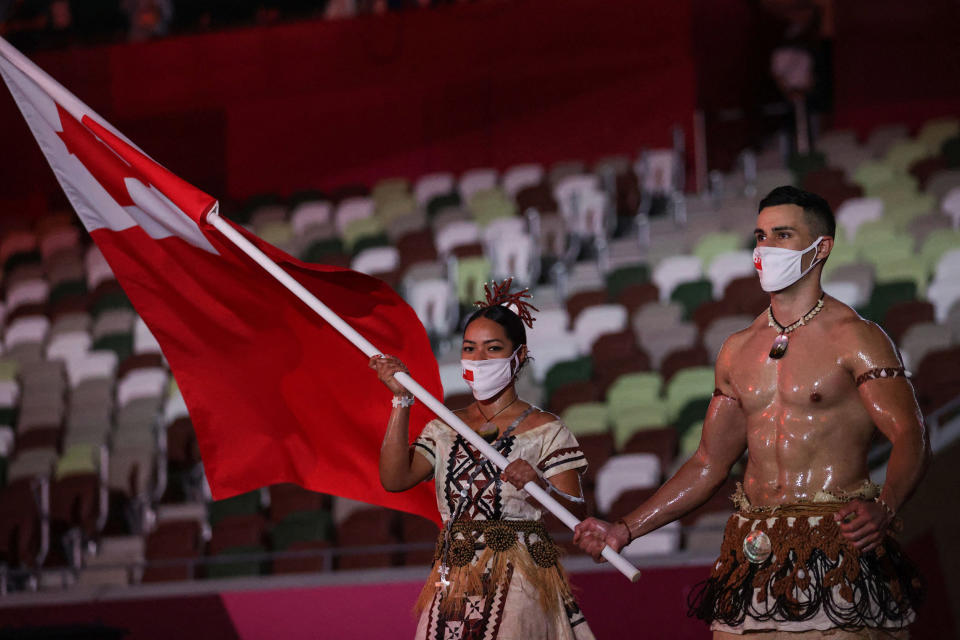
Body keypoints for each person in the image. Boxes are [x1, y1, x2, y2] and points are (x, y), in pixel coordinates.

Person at [574, 186, 928, 639]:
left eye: (782, 235)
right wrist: (624, 529)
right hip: (752, 553)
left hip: (837, 547)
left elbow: (911, 434)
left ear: (821, 248)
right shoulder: (737, 350)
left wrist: (885, 505)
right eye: (761, 236)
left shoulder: (856, 337)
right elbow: (708, 463)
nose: (765, 247)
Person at [371, 279, 595, 640]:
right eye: (469, 348)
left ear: (518, 355)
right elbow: (394, 479)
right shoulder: (444, 427)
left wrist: (539, 485)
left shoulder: (546, 429)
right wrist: (401, 400)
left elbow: (578, 514)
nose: (478, 358)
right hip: (452, 578)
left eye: (492, 348)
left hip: (522, 578)